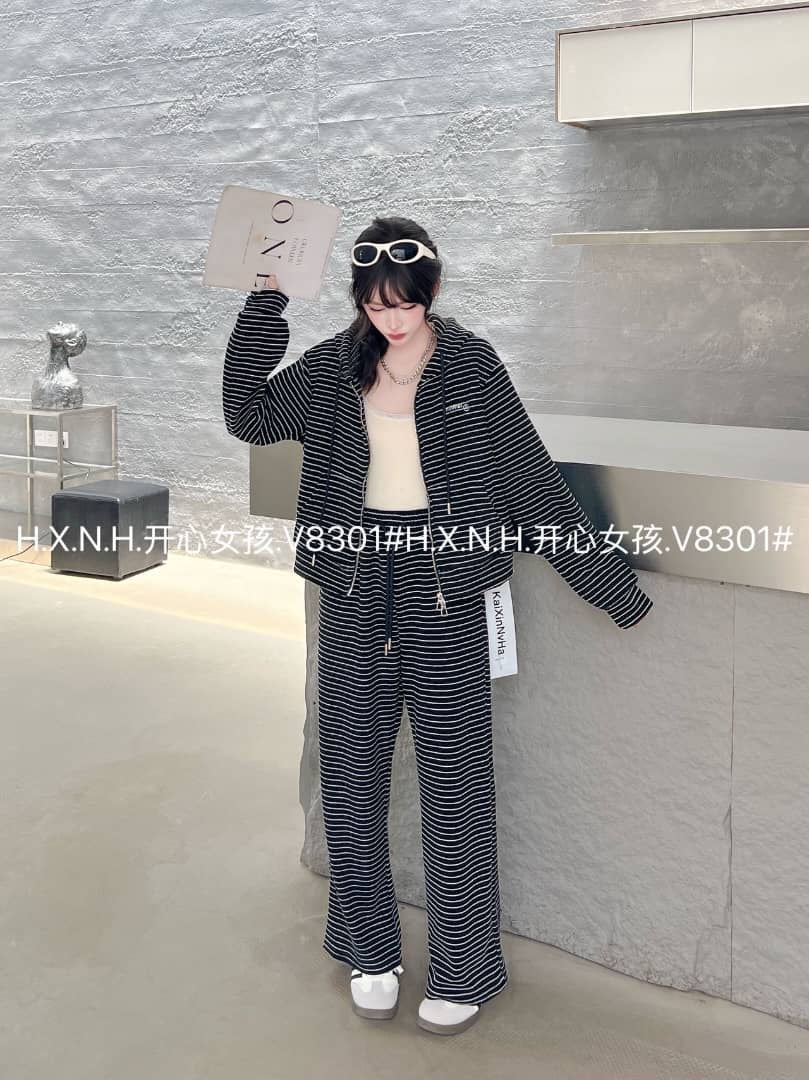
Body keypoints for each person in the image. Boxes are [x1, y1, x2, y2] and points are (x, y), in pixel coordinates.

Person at [222, 215, 654, 1036]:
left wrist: (608, 587)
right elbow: (247, 413)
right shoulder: (332, 367)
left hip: (445, 591)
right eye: (376, 305)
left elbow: (528, 481)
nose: (391, 319)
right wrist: (263, 305)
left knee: (455, 788)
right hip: (353, 588)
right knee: (349, 780)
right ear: (358, 301)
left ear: (432, 291)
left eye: (405, 304)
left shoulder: (471, 366)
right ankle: (368, 952)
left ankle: (464, 968)